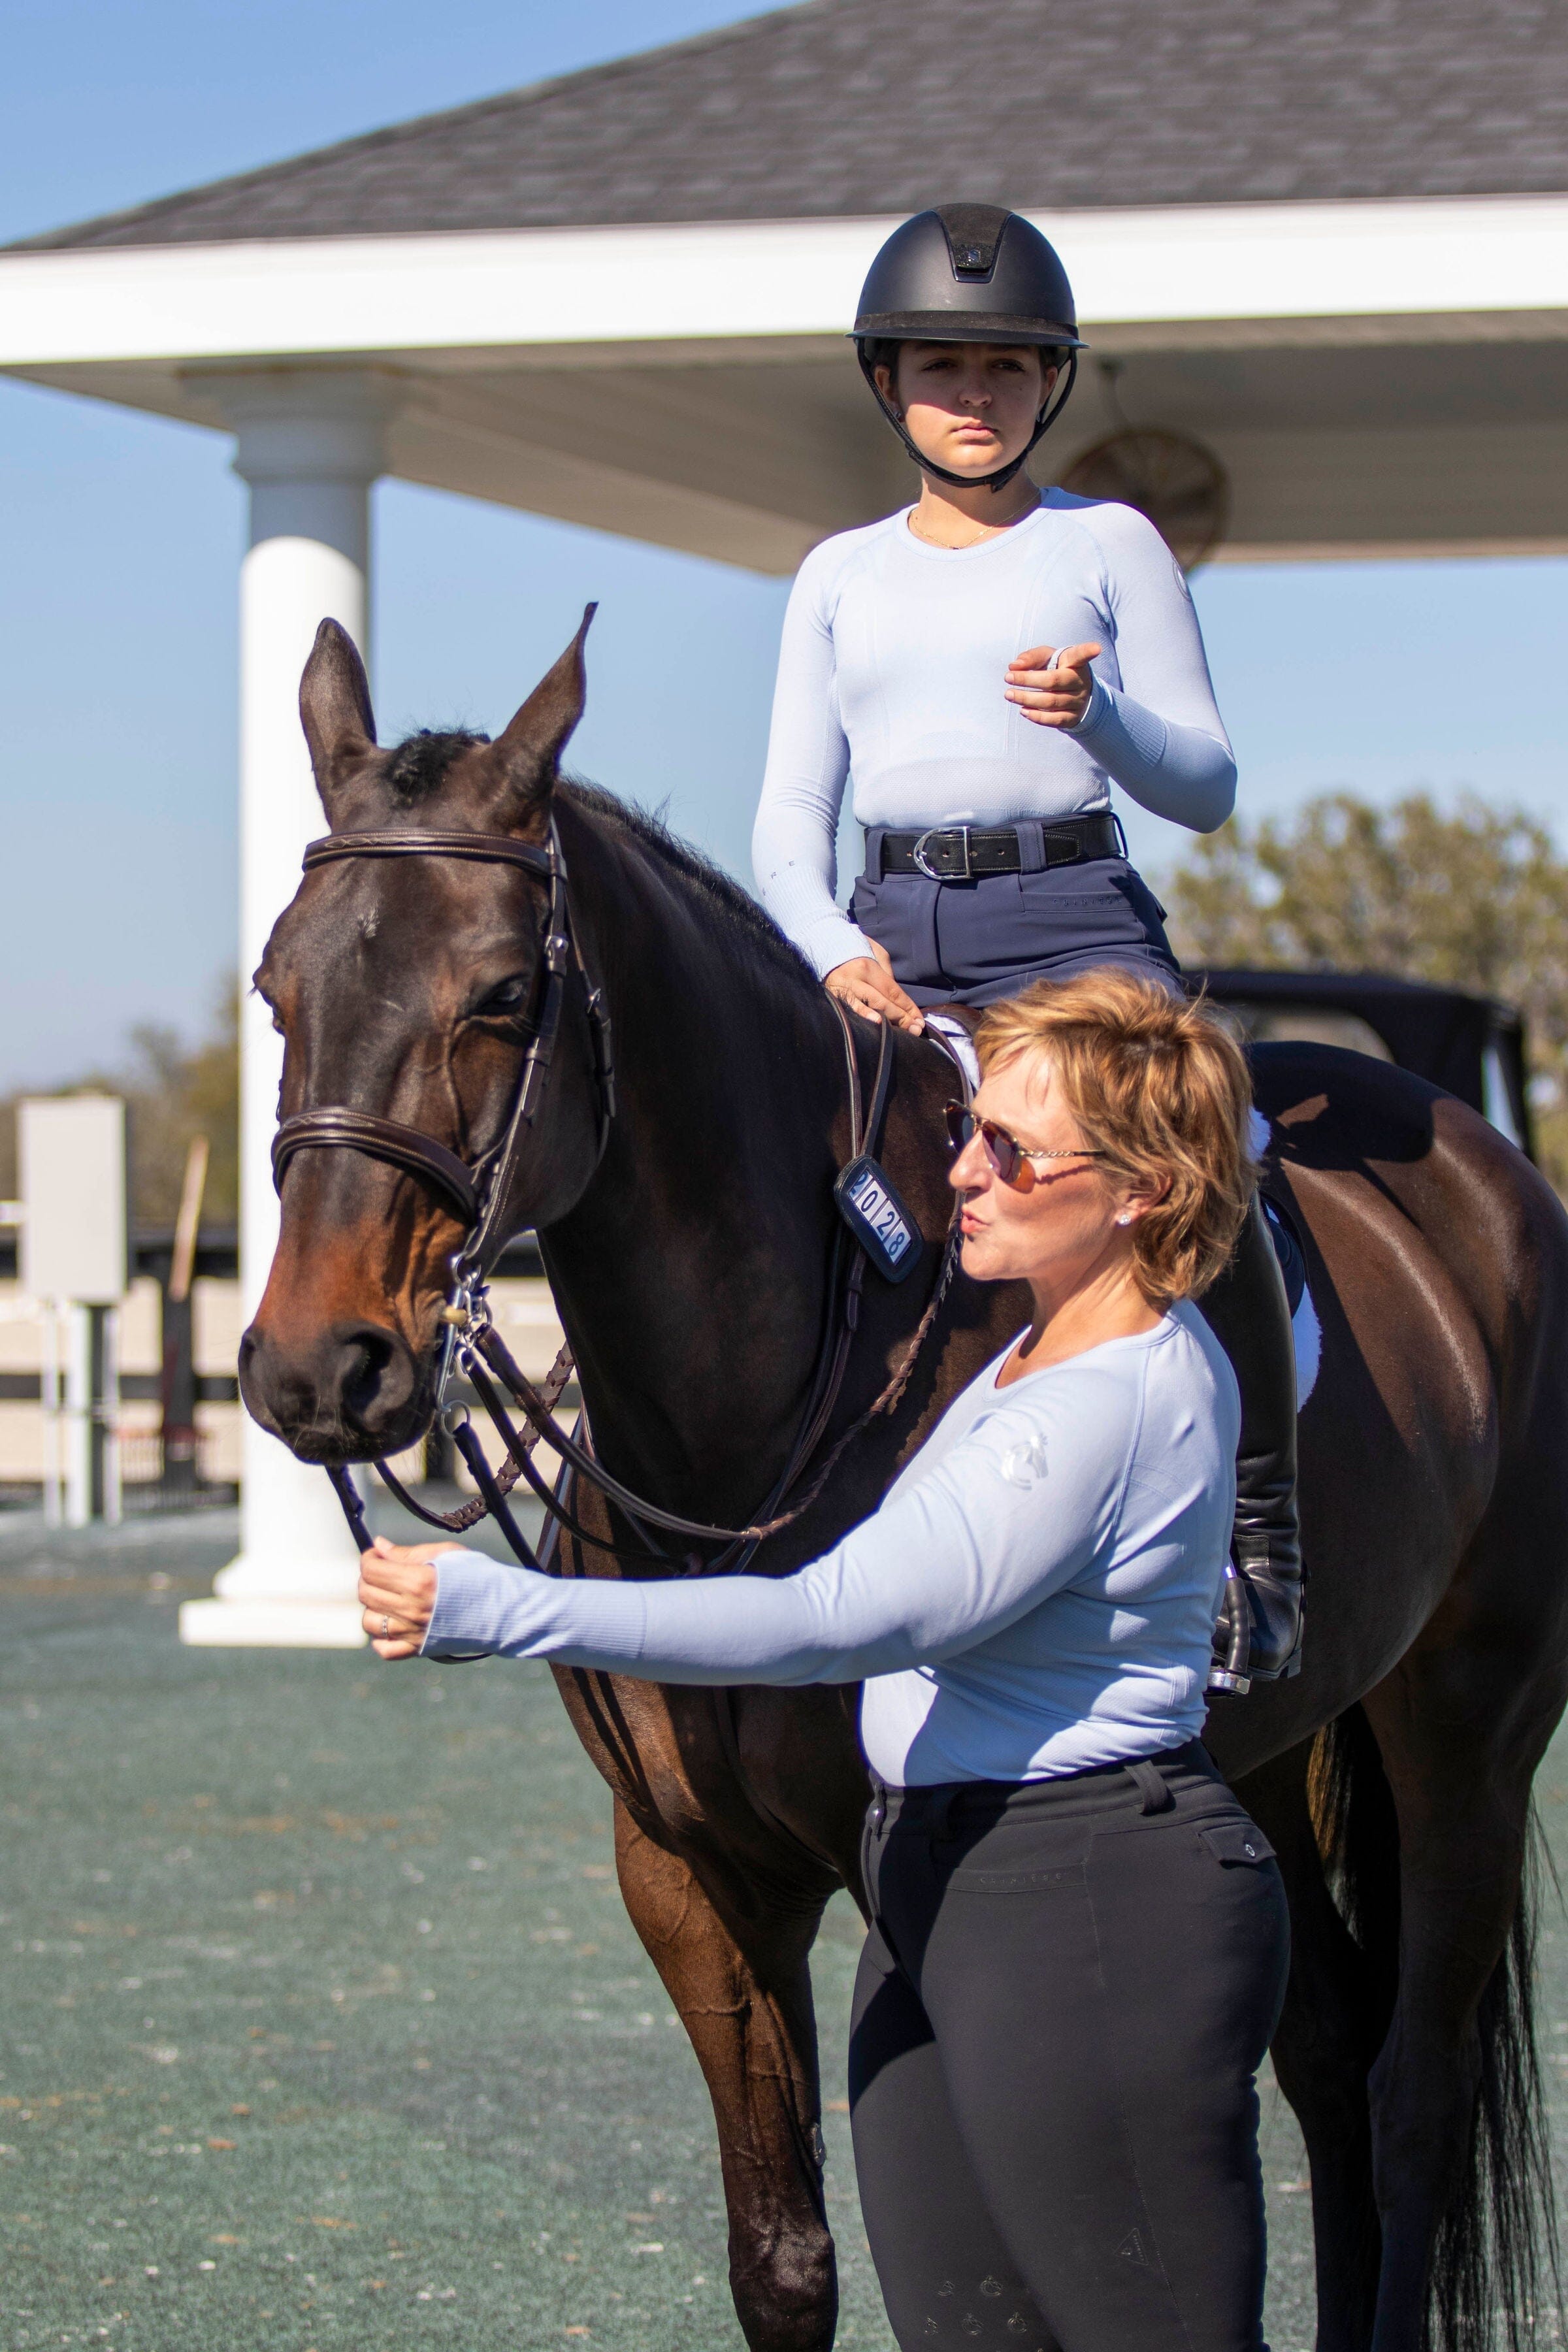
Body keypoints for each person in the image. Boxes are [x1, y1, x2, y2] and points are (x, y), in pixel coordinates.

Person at [359, 971, 1292, 2352]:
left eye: (1012, 1152)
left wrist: (512, 1609)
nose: (963, 1169)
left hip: (1085, 1903)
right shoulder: (1041, 1349)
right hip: (949, 1896)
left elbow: (832, 1618)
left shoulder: (1094, 1409)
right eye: (976, 1128)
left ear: (1143, 1191)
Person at [751, 202, 1299, 1682]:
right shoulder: (839, 575)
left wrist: (1102, 717)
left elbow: (1210, 789)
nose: (974, 396)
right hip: (887, 929)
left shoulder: (1107, 540)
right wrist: (821, 949)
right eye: (943, 367)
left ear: (1049, 382)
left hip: (1071, 914)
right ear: (891, 385)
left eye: (1005, 369)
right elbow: (791, 815)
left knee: (1210, 1156)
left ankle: (1261, 1541)